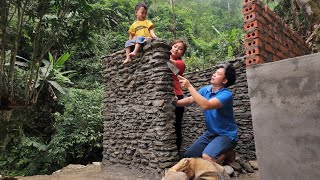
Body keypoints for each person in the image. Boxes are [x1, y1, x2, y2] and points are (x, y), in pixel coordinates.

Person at [175, 63, 237, 164]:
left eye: (218, 74)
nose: (214, 74)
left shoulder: (226, 95)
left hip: (226, 135)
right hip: (211, 133)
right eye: (215, 72)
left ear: (224, 81)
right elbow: (191, 99)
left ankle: (227, 154)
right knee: (189, 155)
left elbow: (206, 105)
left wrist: (189, 86)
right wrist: (174, 103)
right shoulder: (206, 89)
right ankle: (219, 151)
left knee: (207, 157)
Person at [169, 40, 187, 154]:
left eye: (180, 49)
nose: (176, 49)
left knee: (177, 125)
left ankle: (177, 152)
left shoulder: (180, 63)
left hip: (178, 95)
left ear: (182, 53)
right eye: (175, 46)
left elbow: (168, 62)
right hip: (169, 93)